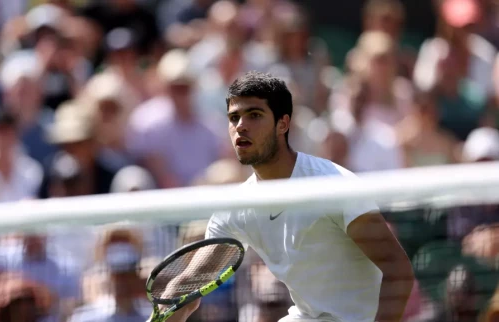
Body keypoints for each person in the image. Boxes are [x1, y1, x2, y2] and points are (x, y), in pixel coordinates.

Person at [161, 72, 414, 322]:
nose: (241, 126)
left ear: (283, 123)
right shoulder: (236, 208)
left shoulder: (333, 186)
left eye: (254, 115)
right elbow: (191, 285)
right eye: (234, 117)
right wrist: (172, 297)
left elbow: (399, 271)